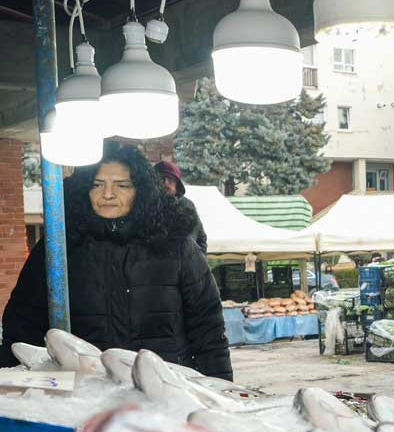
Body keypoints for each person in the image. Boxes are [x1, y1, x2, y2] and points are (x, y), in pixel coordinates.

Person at [0, 144, 233, 379]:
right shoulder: (57, 249)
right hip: (85, 391)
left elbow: (208, 328)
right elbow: (22, 326)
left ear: (141, 190)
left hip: (164, 389)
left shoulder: (177, 247)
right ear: (84, 189)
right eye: (97, 184)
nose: (108, 194)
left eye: (122, 185)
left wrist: (221, 387)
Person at [154, 159, 208, 254]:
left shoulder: (187, 207)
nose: (165, 183)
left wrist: (198, 260)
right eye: (161, 179)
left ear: (177, 184)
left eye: (170, 179)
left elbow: (201, 239)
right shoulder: (144, 207)